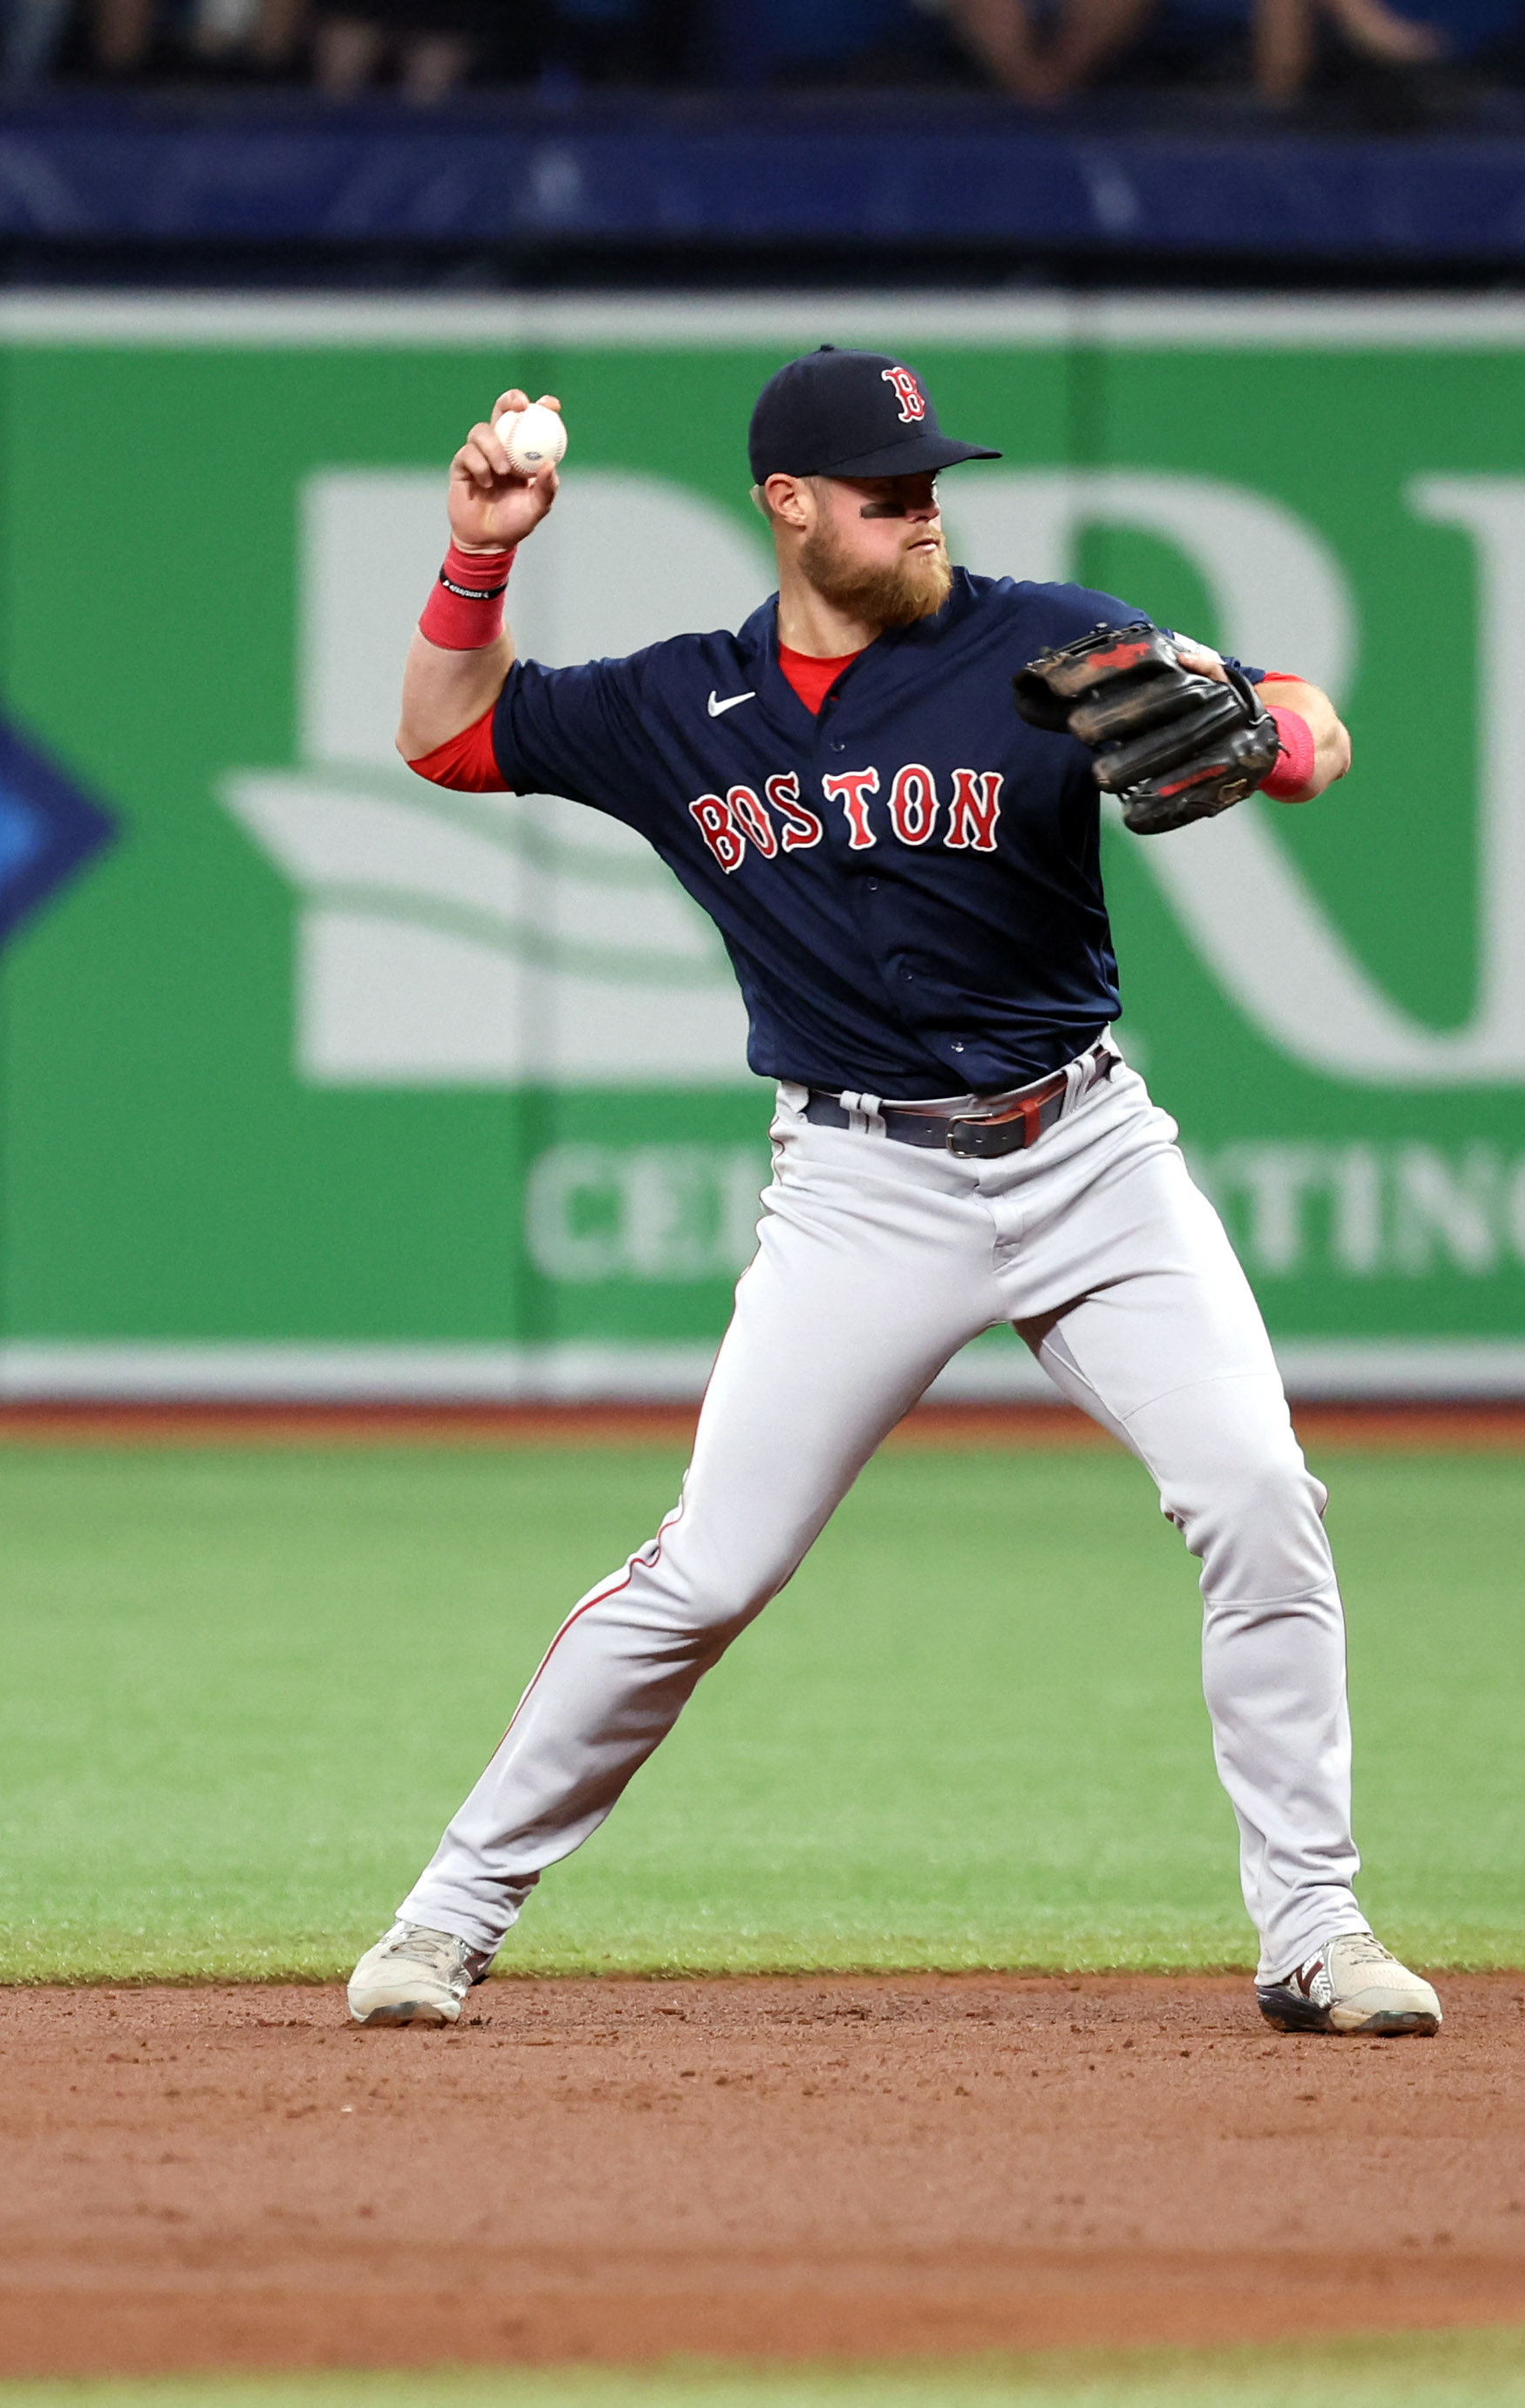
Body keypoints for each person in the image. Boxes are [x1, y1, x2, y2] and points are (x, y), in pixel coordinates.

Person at [346, 347, 1443, 2043]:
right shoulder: (678, 702)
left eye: (931, 478)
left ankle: (1314, 1931)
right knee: (709, 1571)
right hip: (861, 1180)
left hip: (1087, 1153)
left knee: (1255, 1495)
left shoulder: (1038, 640)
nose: (921, 508)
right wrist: (481, 547)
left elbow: (1306, 721)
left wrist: (1274, 737)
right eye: (884, 488)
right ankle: (443, 1919)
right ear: (789, 507)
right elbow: (441, 736)